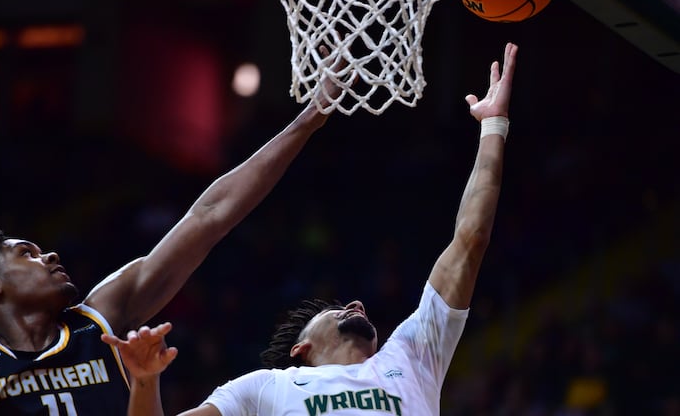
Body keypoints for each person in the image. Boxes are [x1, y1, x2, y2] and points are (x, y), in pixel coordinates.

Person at [0, 46, 350, 416]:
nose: (49, 257)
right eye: (26, 253)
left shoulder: (101, 321)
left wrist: (309, 118)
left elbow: (209, 215)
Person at [103, 42, 519, 416]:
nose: (356, 304)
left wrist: (493, 128)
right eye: (334, 311)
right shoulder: (265, 388)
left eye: (347, 307)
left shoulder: (411, 354)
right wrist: (145, 380)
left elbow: (470, 240)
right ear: (300, 351)